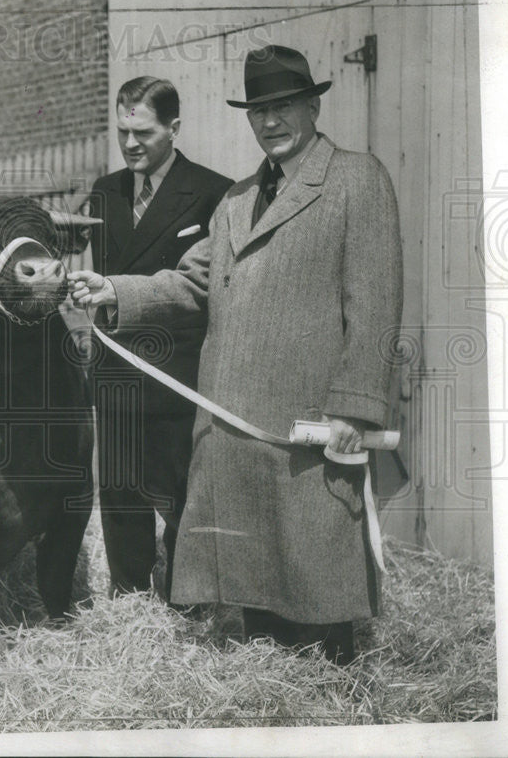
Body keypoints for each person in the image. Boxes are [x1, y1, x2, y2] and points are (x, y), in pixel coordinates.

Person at [70, 46, 403, 663]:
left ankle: (331, 695)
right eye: (258, 111)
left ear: (312, 104)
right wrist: (114, 288)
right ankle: (271, 692)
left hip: (308, 425)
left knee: (315, 571)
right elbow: (191, 283)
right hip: (233, 426)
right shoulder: (236, 199)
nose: (270, 122)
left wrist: (355, 409)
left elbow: (376, 307)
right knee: (253, 588)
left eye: (282, 107)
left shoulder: (357, 179)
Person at [85, 76, 231, 598]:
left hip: (176, 376)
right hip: (117, 373)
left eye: (142, 133)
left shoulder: (216, 193)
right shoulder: (104, 193)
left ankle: (186, 602)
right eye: (122, 131)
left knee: (180, 499)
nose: (130, 145)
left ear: (173, 128)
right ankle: (128, 605)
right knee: (121, 498)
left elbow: (208, 291)